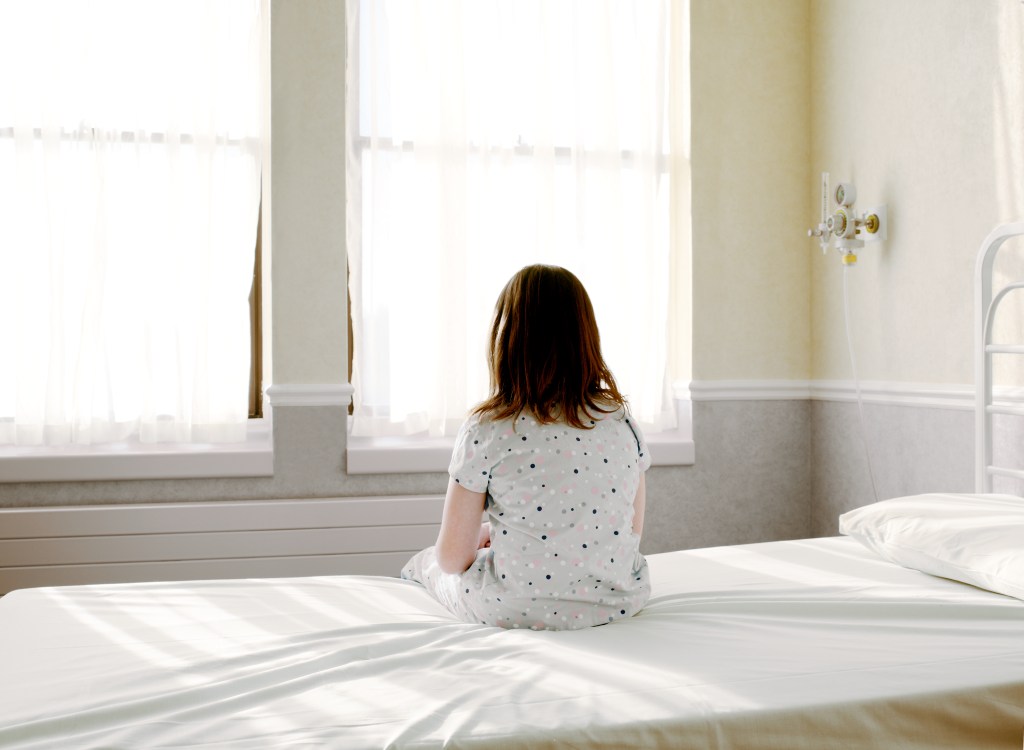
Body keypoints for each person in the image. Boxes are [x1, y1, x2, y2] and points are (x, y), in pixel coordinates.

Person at [401, 264, 650, 631]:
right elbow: (629, 531)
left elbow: (454, 558)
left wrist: (482, 540)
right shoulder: (620, 421)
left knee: (426, 564)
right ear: (586, 337)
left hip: (513, 609)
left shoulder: (488, 428)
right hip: (615, 602)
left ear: (507, 339)